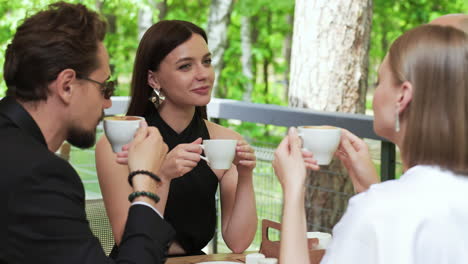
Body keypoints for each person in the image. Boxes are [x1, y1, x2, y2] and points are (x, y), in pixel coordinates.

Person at [273, 23, 468, 264]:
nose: (374, 95)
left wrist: (293, 190)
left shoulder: (376, 210)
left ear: (402, 96)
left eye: (378, 82)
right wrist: (370, 187)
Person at [0, 2, 174, 263]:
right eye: (105, 88)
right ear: (67, 86)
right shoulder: (38, 175)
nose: (106, 104)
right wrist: (146, 181)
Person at [95, 20, 258, 256]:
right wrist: (162, 175)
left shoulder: (224, 140)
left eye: (207, 62)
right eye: (185, 66)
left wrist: (245, 176)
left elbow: (238, 243)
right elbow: (126, 237)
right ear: (154, 80)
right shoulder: (120, 142)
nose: (203, 74)